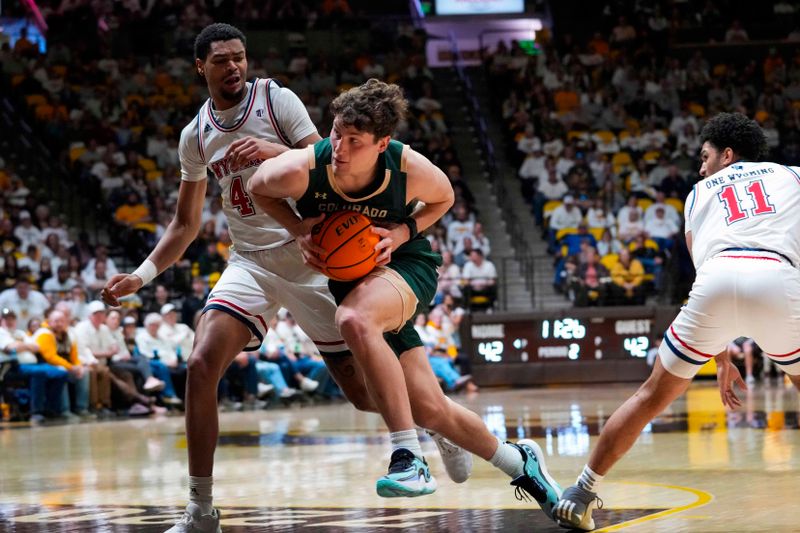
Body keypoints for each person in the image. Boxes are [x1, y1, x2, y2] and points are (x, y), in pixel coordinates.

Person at [100, 24, 471, 532]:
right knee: (202, 363)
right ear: (200, 68)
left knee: (365, 396)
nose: (233, 66)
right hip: (252, 262)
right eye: (221, 60)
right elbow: (185, 225)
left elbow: (332, 173)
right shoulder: (196, 136)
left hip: (316, 258)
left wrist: (268, 152)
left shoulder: (277, 102)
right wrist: (141, 276)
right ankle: (200, 509)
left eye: (239, 57)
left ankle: (431, 424)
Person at [249, 78, 561, 515]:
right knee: (431, 407)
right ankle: (520, 463)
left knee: (354, 321)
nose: (339, 146)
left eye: (354, 140)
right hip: (355, 280)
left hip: (405, 266)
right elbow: (258, 187)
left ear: (382, 143)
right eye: (336, 132)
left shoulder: (407, 166)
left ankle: (406, 456)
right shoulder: (303, 167)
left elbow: (445, 197)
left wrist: (401, 231)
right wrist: (299, 229)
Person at [552, 112, 800, 530]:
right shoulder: (791, 175)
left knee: (650, 396)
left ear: (727, 154)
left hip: (718, 277)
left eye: (705, 157)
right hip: (778, 276)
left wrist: (720, 360)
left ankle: (580, 493)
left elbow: (708, 277)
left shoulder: (697, 195)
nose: (701, 167)